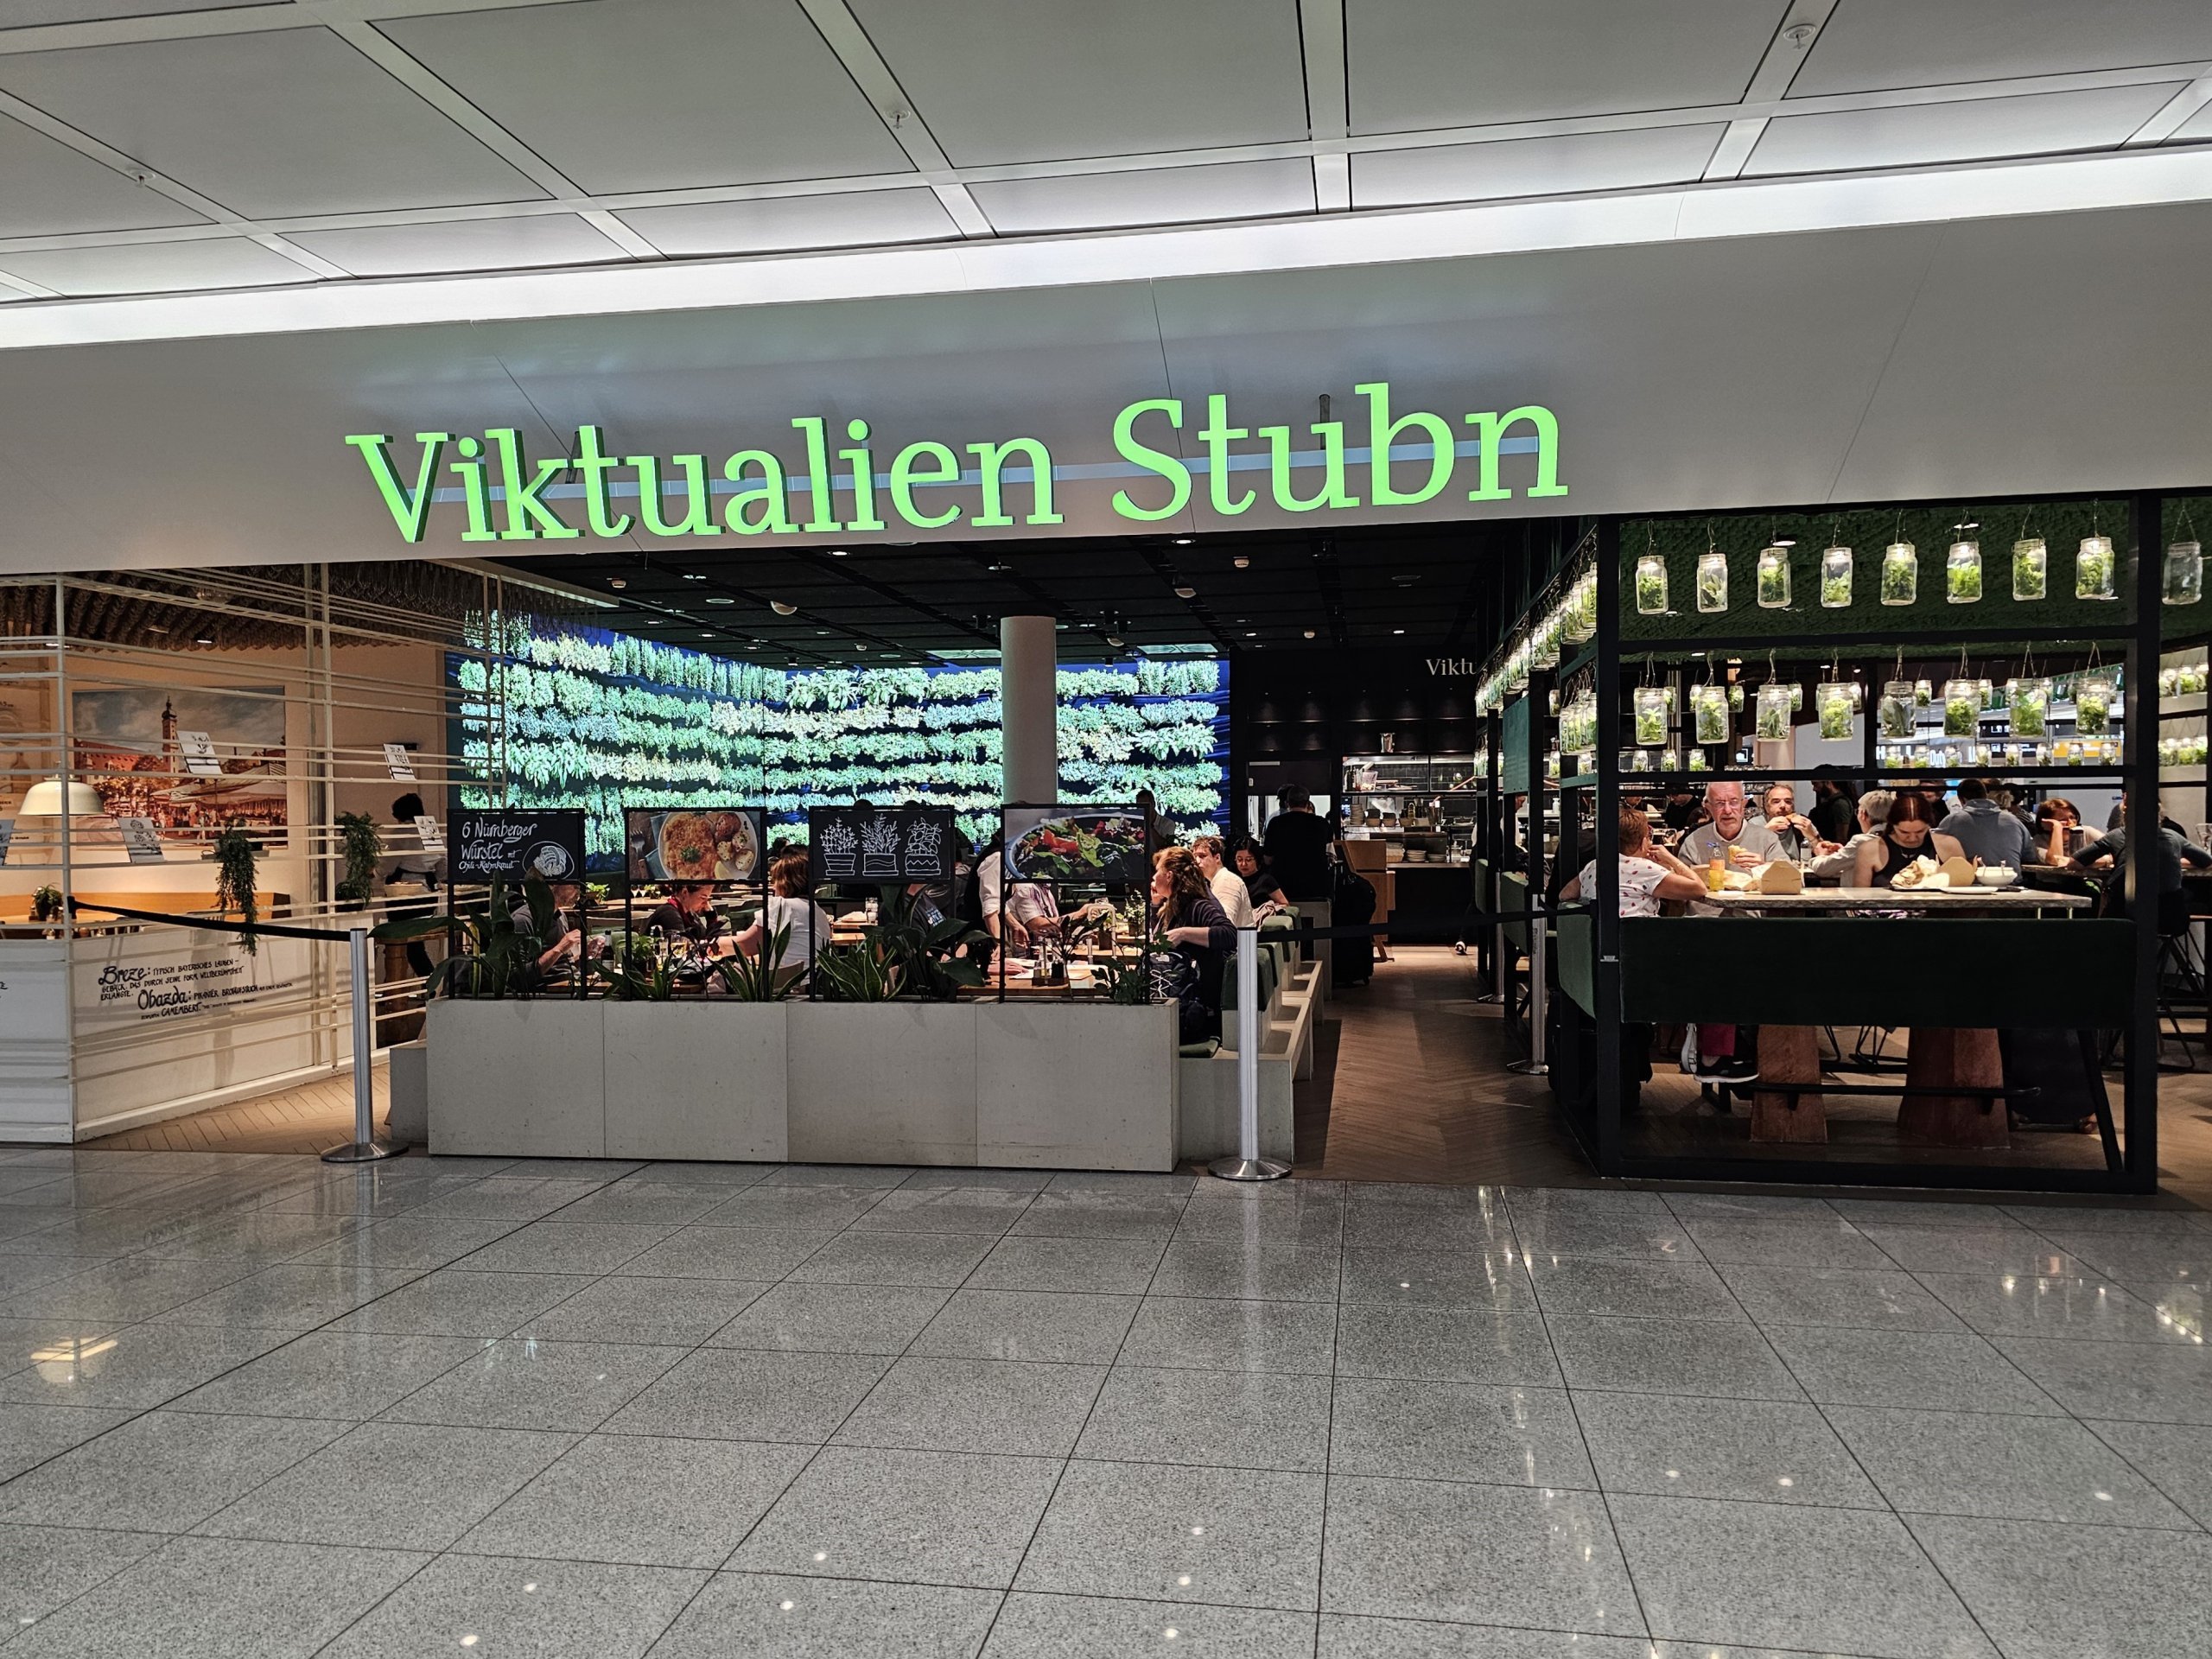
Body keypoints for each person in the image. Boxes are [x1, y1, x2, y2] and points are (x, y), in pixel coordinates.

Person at [2069, 805, 2212, 925]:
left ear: (2125, 816)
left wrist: (2110, 861)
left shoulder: (2117, 835)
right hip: (2171, 918)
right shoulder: (2173, 836)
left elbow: (2075, 863)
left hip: (2125, 914)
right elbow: (2207, 862)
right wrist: (2172, 859)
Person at [1152, 845, 1236, 1039]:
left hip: (1195, 1011)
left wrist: (1183, 934)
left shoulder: (1199, 905)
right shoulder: (1176, 904)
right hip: (1181, 1001)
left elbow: (1229, 934)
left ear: (1169, 876)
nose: (1154, 877)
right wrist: (1156, 905)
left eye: (1157, 871)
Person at [1560, 804, 1707, 913]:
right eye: (1649, 837)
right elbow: (1699, 890)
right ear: (1643, 842)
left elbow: (1565, 895)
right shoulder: (1646, 869)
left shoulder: (1594, 865)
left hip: (1597, 939)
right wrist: (1671, 859)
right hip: (1637, 941)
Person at [732, 852, 834, 969]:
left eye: (775, 880)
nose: (773, 887)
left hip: (787, 980)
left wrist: (715, 943)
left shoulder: (783, 905)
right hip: (810, 978)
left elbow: (746, 946)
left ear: (785, 882)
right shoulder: (818, 911)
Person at [1852, 789, 1966, 886]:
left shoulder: (1948, 845)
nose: (1912, 838)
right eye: (1904, 832)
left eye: (1920, 831)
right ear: (1893, 825)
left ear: (1929, 825)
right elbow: (1860, 897)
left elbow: (1963, 888)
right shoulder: (1870, 850)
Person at [1678, 781, 1786, 880]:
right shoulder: (1694, 842)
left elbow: (1790, 881)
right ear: (1709, 807)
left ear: (1743, 804)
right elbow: (1681, 887)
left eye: (1734, 802)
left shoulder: (1767, 839)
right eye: (1719, 803)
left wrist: (1763, 868)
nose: (1727, 810)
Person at [976, 835, 1059, 947]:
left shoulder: (1010, 858)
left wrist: (1014, 925)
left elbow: (999, 901)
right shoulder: (997, 857)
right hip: (977, 934)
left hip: (989, 931)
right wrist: (999, 945)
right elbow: (990, 905)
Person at [1938, 776, 2038, 869]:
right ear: (1985, 795)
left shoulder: (1951, 822)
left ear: (1962, 799)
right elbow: (2030, 856)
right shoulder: (2014, 821)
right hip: (2011, 880)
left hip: (1969, 880)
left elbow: (1939, 855)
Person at [1261, 785, 1337, 900]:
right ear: (1308, 804)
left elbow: (1268, 859)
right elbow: (1331, 857)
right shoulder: (1322, 824)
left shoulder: (1275, 823)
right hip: (1317, 887)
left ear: (1287, 803)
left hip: (1282, 888)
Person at [1808, 789, 1892, 882]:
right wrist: (1844, 851)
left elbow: (1822, 869)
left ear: (1862, 814)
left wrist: (1821, 855)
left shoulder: (1861, 842)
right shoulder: (1895, 838)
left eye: (1857, 812)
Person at [642, 880, 729, 956]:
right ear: (685, 892)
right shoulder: (668, 913)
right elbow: (687, 948)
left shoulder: (690, 915)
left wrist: (711, 917)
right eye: (703, 898)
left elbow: (709, 942)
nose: (706, 903)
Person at [1191, 833, 1254, 927]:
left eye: (1202, 856)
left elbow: (1224, 925)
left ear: (1217, 858)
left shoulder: (1227, 881)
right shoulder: (1220, 880)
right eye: (1195, 856)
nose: (1197, 861)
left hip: (1239, 937)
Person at [1758, 781, 1830, 862]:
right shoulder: (1755, 824)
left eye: (1788, 802)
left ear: (1793, 806)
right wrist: (1766, 832)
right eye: (1776, 802)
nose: (1783, 806)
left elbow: (1825, 857)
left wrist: (1812, 836)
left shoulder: (1802, 823)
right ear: (1767, 807)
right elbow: (1749, 855)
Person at [1807, 767, 1859, 844]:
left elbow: (1841, 838)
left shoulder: (1840, 804)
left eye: (1816, 784)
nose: (1814, 789)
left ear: (1828, 783)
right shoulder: (1829, 804)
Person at [1233, 842, 1284, 915]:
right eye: (1240, 860)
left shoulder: (1266, 880)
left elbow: (1284, 904)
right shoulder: (1233, 880)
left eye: (1248, 860)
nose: (1244, 864)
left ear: (1257, 859)